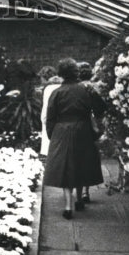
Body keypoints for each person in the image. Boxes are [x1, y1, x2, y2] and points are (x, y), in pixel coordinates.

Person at [44, 58, 106, 219]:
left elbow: (50, 117)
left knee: (66, 168)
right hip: (83, 130)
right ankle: (79, 199)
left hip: (61, 131)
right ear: (75, 72)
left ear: (61, 74)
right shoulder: (86, 90)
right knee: (81, 165)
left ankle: (67, 207)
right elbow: (101, 109)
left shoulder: (56, 92)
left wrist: (53, 135)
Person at [76, 61, 101, 203]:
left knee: (77, 158)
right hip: (91, 127)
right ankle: (85, 191)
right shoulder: (94, 88)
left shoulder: (76, 88)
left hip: (78, 125)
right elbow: (101, 108)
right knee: (88, 158)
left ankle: (78, 190)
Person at [39, 74, 63, 157]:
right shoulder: (62, 88)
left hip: (50, 117)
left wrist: (43, 119)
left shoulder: (48, 89)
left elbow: (46, 106)